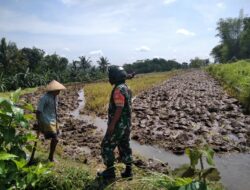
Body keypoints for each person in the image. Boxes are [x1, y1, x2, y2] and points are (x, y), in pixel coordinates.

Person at [98, 65, 135, 181]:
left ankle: (110, 172)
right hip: (126, 124)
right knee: (124, 146)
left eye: (110, 76)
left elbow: (119, 108)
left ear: (115, 77)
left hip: (118, 124)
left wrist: (112, 125)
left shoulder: (118, 89)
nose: (109, 78)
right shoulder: (126, 87)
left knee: (106, 146)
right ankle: (128, 171)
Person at [36, 80, 66, 162]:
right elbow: (38, 111)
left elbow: (54, 110)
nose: (59, 91)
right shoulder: (44, 98)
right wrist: (38, 123)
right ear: (53, 90)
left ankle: (50, 157)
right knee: (55, 139)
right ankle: (51, 158)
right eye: (58, 90)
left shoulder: (55, 97)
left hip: (53, 120)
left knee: (55, 138)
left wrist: (57, 120)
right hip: (46, 120)